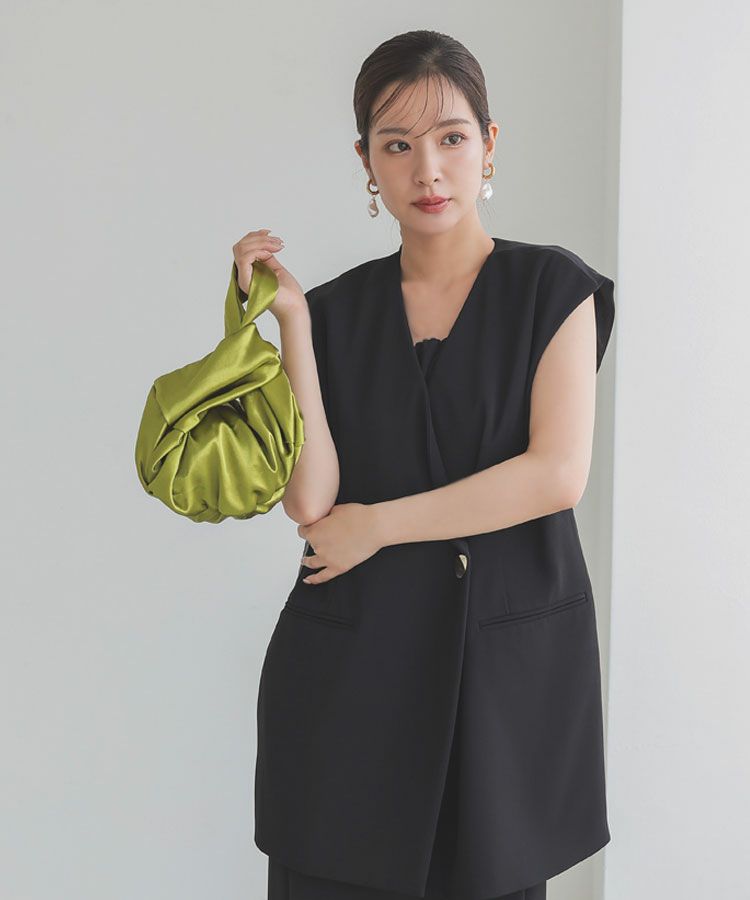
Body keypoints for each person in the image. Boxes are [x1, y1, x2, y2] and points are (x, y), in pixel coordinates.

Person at [235, 29, 614, 900]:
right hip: (352, 680)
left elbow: (556, 474)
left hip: (500, 690)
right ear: (367, 162)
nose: (428, 170)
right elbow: (312, 500)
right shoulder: (333, 311)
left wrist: (379, 526)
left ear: (489, 143)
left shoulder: (553, 291)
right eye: (397, 145)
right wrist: (292, 325)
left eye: (450, 138)